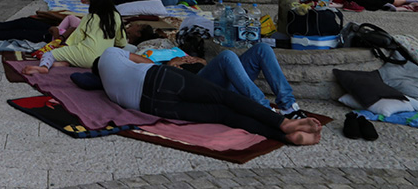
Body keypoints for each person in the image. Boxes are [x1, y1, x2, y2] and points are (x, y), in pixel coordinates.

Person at [94, 48, 322, 145]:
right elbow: (144, 61)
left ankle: (284, 136)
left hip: (154, 105)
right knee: (223, 96)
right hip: (161, 78)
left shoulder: (110, 91)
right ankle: (281, 121)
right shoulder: (109, 54)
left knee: (223, 114)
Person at [23, 0, 127, 73]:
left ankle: (44, 67)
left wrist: (63, 45)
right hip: (103, 60)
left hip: (86, 55)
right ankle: (62, 64)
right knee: (72, 58)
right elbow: (121, 42)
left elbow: (76, 38)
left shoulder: (90, 17)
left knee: (50, 54)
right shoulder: (116, 16)